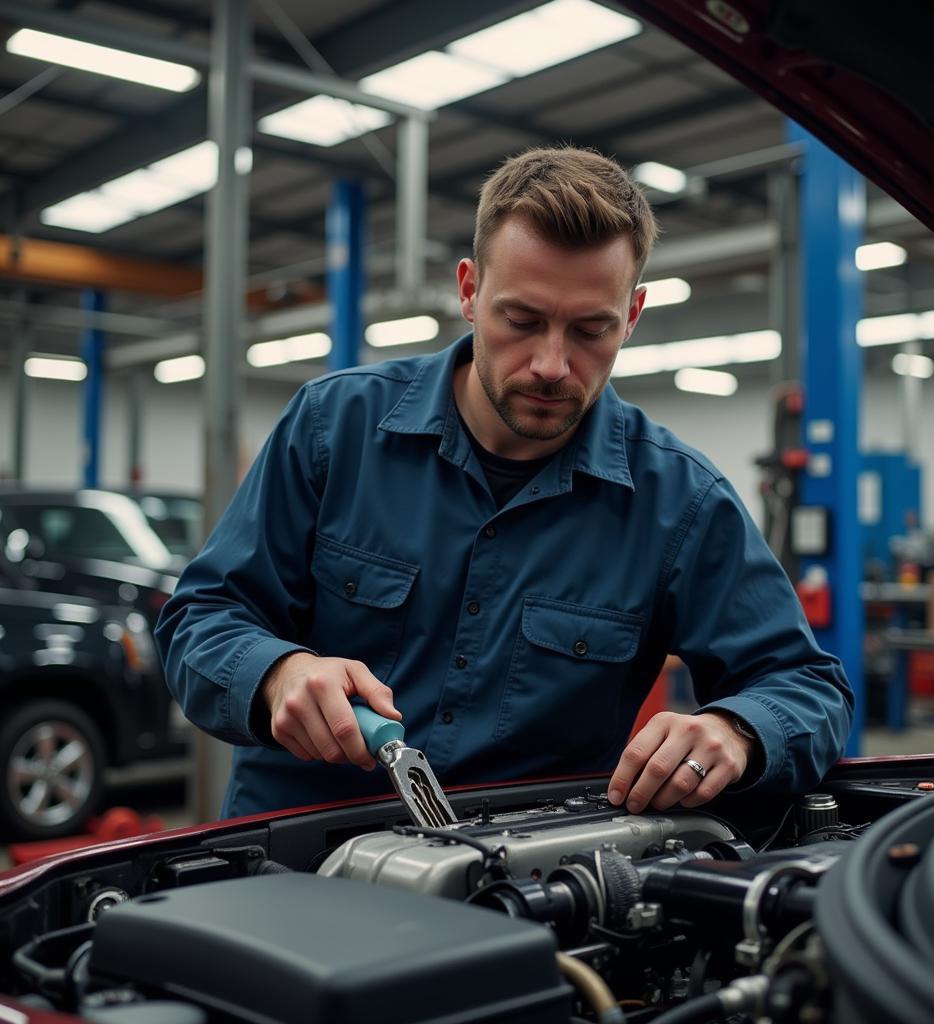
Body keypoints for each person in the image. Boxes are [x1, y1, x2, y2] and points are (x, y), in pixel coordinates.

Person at [156, 146, 852, 820]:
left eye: (590, 330)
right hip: (300, 862)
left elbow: (808, 688)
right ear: (469, 290)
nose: (552, 363)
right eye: (521, 320)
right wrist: (278, 673)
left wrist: (737, 730)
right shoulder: (331, 429)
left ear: (632, 316)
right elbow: (201, 619)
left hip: (523, 884)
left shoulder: (679, 502)